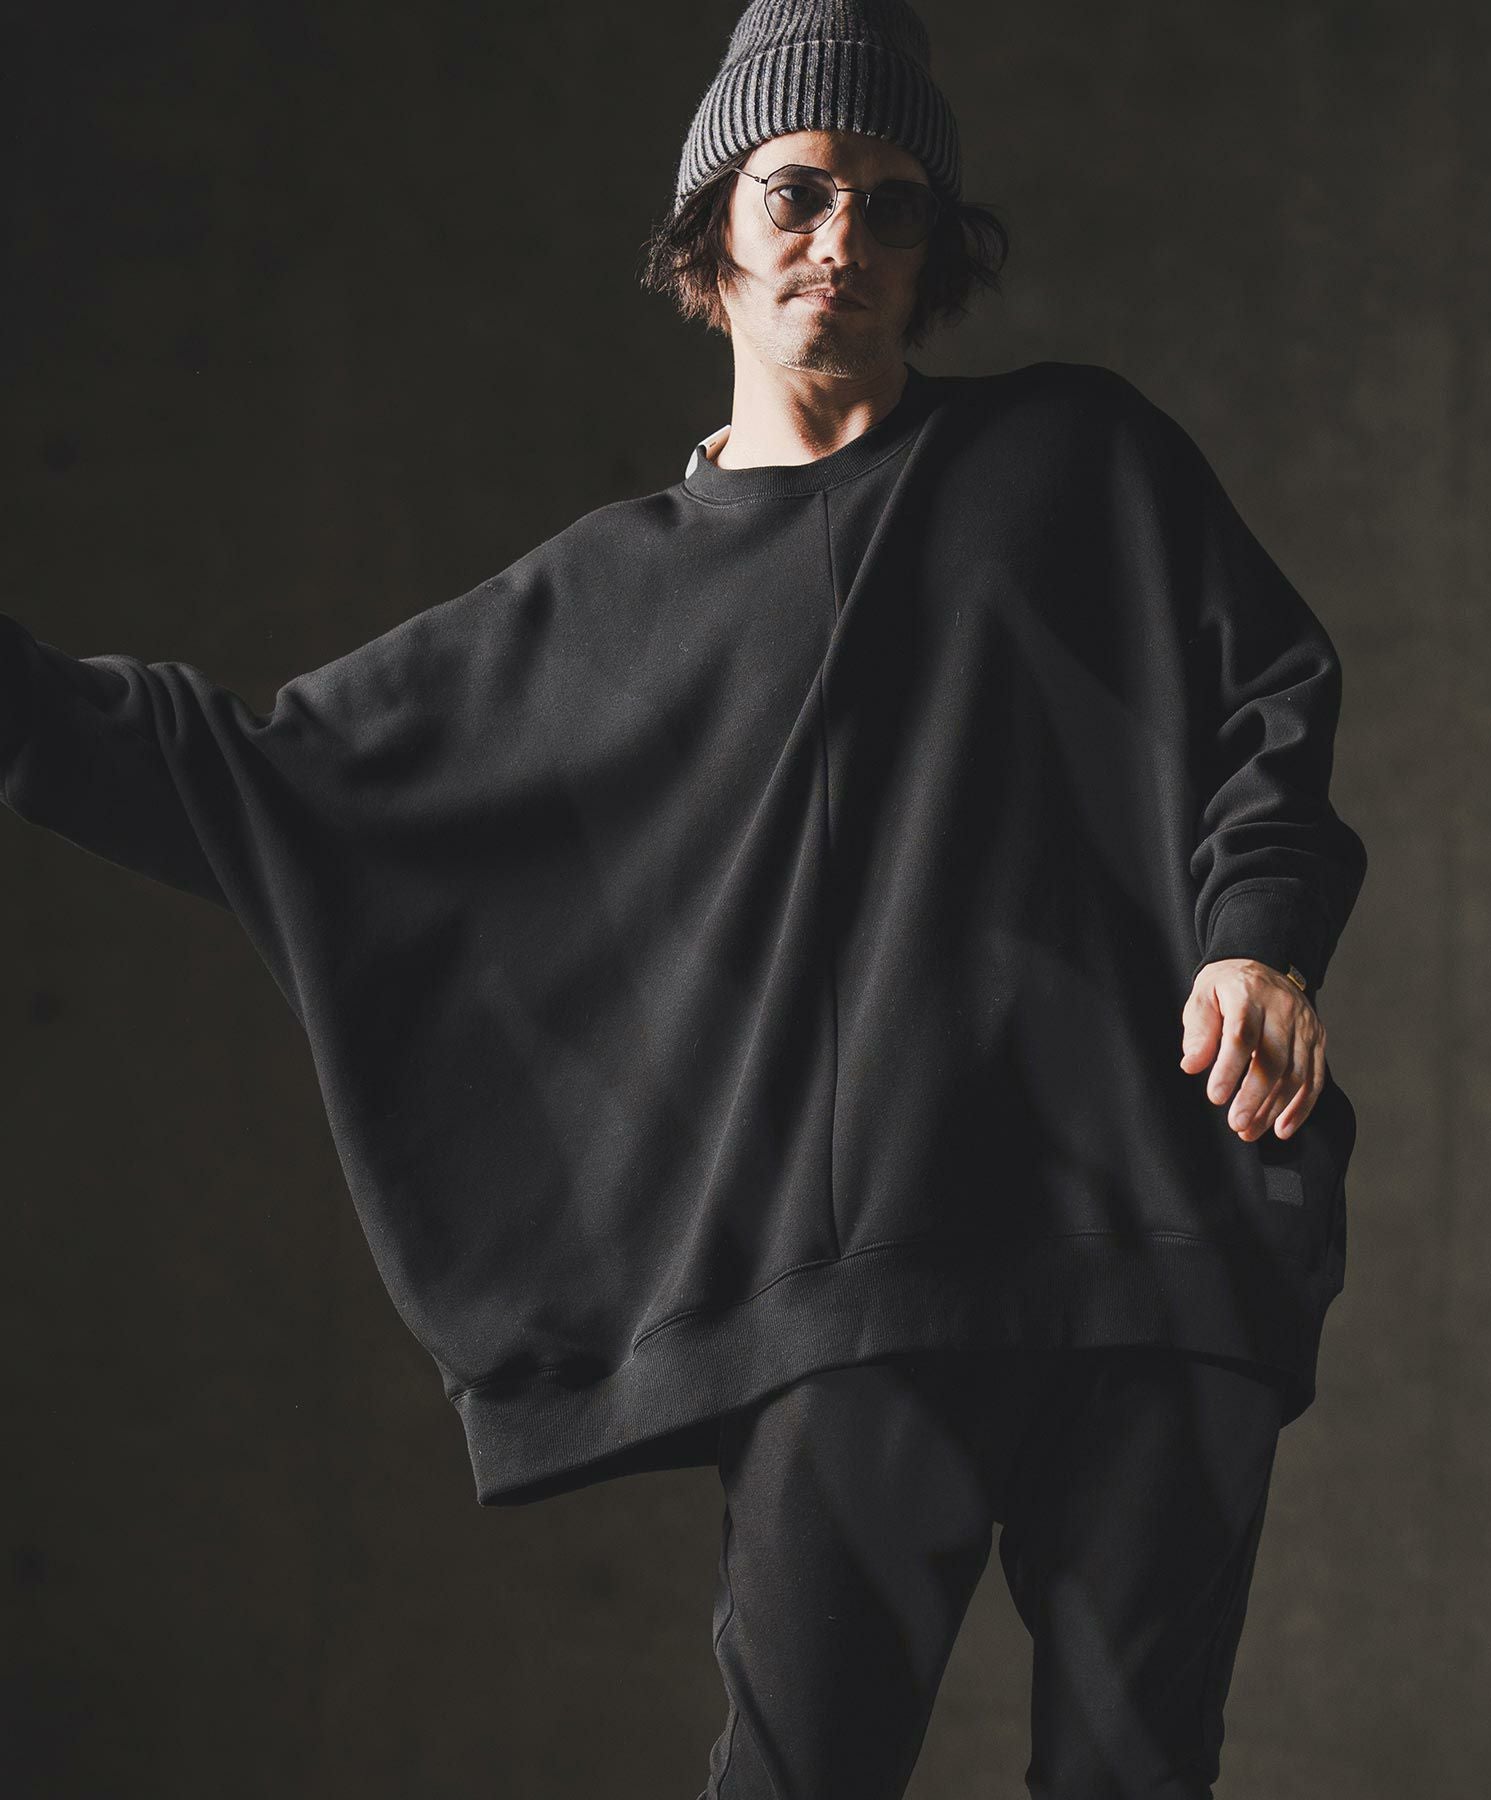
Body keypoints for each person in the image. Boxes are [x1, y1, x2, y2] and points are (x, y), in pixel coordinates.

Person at [2, 0, 1366, 1793]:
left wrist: (1260, 940)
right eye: (801, 188)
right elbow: (248, 776)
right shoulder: (597, 614)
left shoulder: (1080, 461)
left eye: (894, 205)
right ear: (709, 226)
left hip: (1154, 1254)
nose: (845, 237)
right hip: (859, 1300)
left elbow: (1270, 695)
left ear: (936, 251)